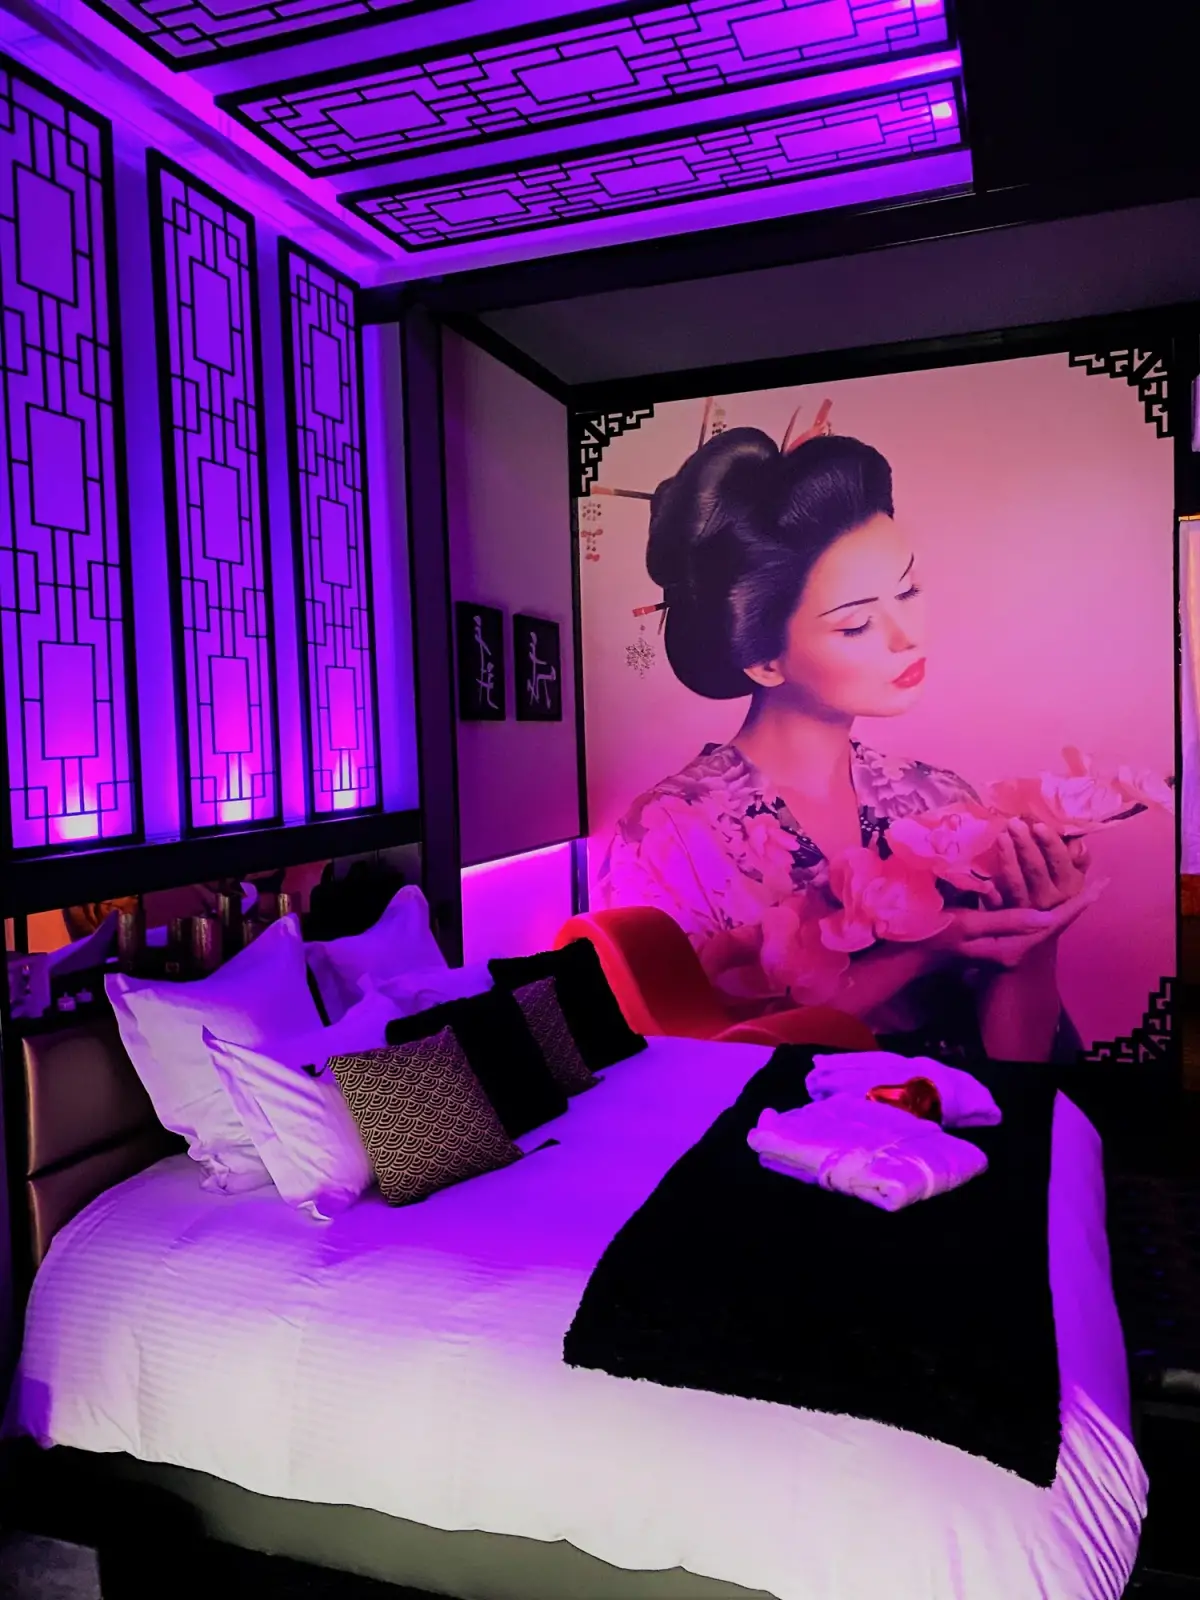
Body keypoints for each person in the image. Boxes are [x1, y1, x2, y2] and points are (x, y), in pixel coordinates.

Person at [596, 427, 1094, 1063]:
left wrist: (1036, 927)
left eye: (908, 592)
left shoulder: (941, 800)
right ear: (765, 661)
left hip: (962, 1111)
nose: (906, 635)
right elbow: (683, 1066)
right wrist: (917, 954)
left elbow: (1017, 1065)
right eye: (856, 623)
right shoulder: (668, 834)